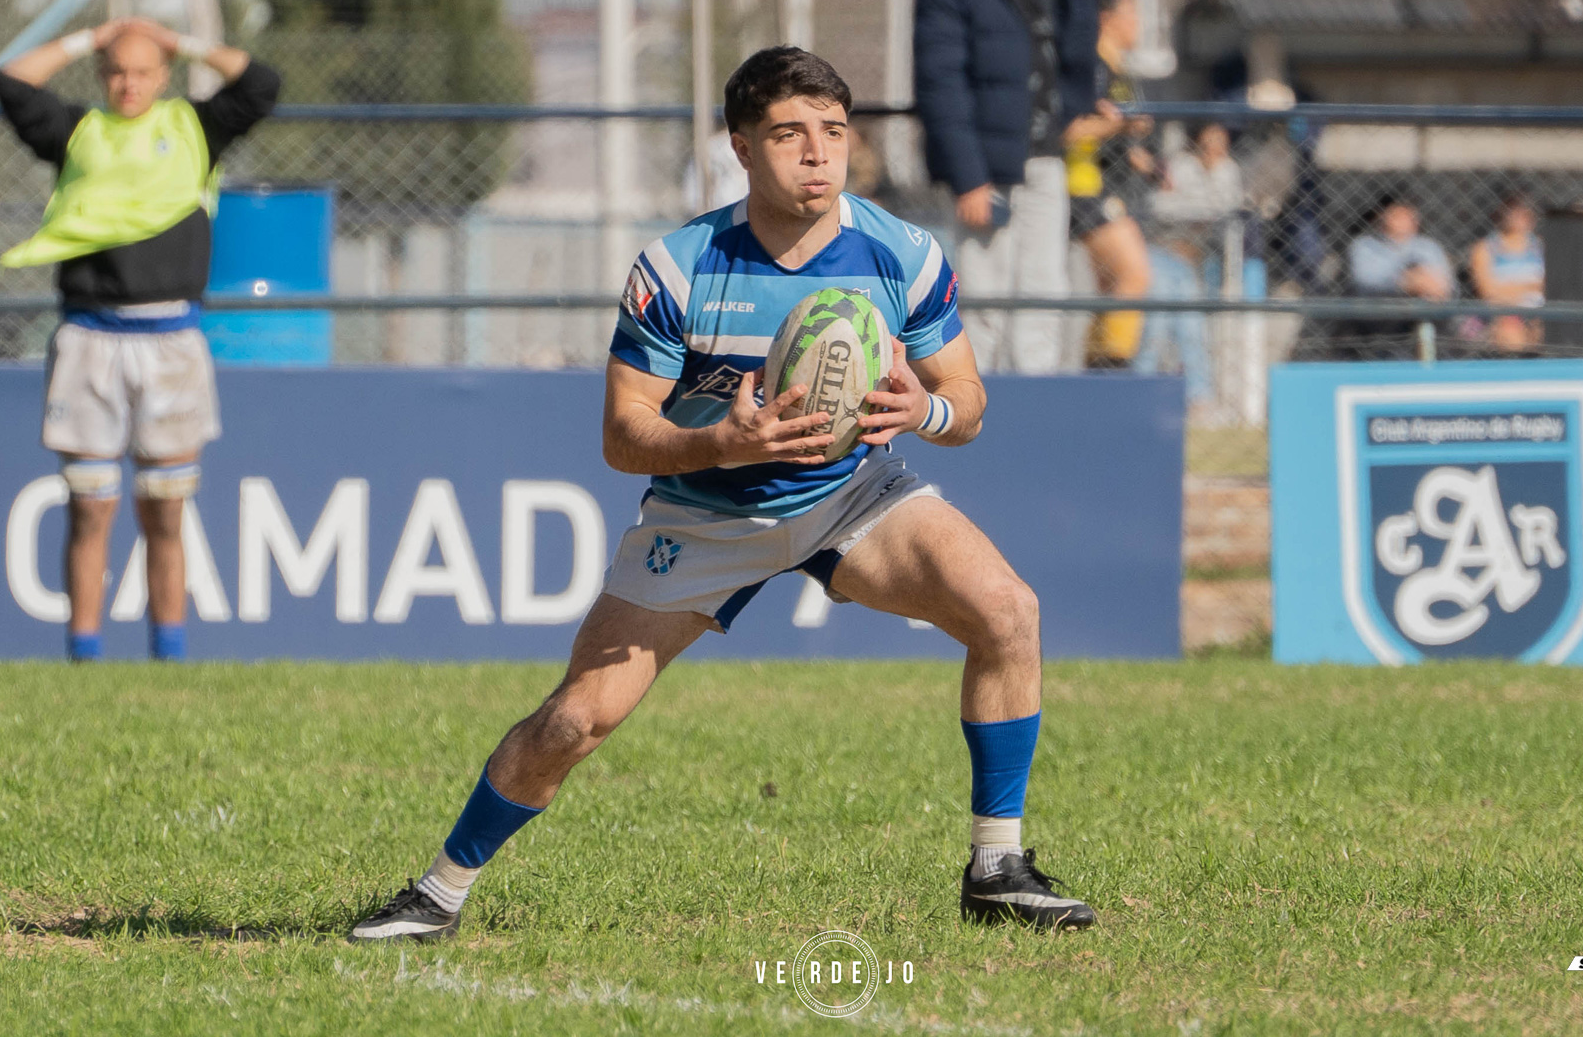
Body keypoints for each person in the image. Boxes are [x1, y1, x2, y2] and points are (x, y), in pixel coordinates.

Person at [349, 48, 1098, 942]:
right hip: (706, 513)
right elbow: (622, 437)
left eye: (833, 132)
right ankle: (438, 895)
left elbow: (969, 403)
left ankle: (997, 868)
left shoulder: (903, 253)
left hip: (850, 492)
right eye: (790, 134)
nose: (817, 154)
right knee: (576, 720)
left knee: (1009, 611)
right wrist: (718, 441)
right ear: (741, 148)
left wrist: (926, 407)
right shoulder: (678, 269)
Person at [0, 18, 280, 661]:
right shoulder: (78, 132)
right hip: (91, 337)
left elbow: (262, 83)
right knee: (90, 507)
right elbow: (11, 82)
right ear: (102, 75)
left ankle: (169, 655)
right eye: (117, 70)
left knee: (165, 511)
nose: (129, 83)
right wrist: (91, 36)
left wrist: (176, 39)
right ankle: (85, 655)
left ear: (163, 76)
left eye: (143, 70)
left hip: (171, 338)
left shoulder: (193, 130)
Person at [914, 0, 1097, 372]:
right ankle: (979, 413)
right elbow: (940, 83)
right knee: (985, 299)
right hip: (987, 166)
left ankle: (1034, 411)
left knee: (1045, 290)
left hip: (1043, 151)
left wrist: (1080, 103)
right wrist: (969, 178)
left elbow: (1072, 34)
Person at [1065, 0, 1153, 369]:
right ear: (1106, 18)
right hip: (1085, 186)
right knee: (1135, 275)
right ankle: (1113, 370)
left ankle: (1097, 368)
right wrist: (1119, 127)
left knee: (1111, 286)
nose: (1138, 24)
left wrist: (1140, 156)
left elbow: (1112, 131)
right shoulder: (1092, 65)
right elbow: (1072, 128)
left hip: (1106, 186)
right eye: (1130, 14)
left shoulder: (1118, 68)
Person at [1466, 192, 1545, 353]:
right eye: (1513, 213)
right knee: (1511, 335)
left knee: (1544, 331)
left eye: (1524, 214)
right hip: (1501, 313)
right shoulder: (1485, 248)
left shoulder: (1542, 247)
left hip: (1539, 312)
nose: (1518, 218)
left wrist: (1508, 287)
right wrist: (1529, 287)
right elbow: (1488, 291)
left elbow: (1551, 286)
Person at [1347, 193, 1453, 301]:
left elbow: (1447, 284)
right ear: (1384, 218)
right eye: (1398, 216)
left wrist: (1426, 283)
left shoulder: (1428, 246)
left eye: (1408, 215)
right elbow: (1364, 280)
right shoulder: (1365, 245)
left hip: (1426, 306)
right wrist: (1404, 282)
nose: (1404, 220)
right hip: (1380, 307)